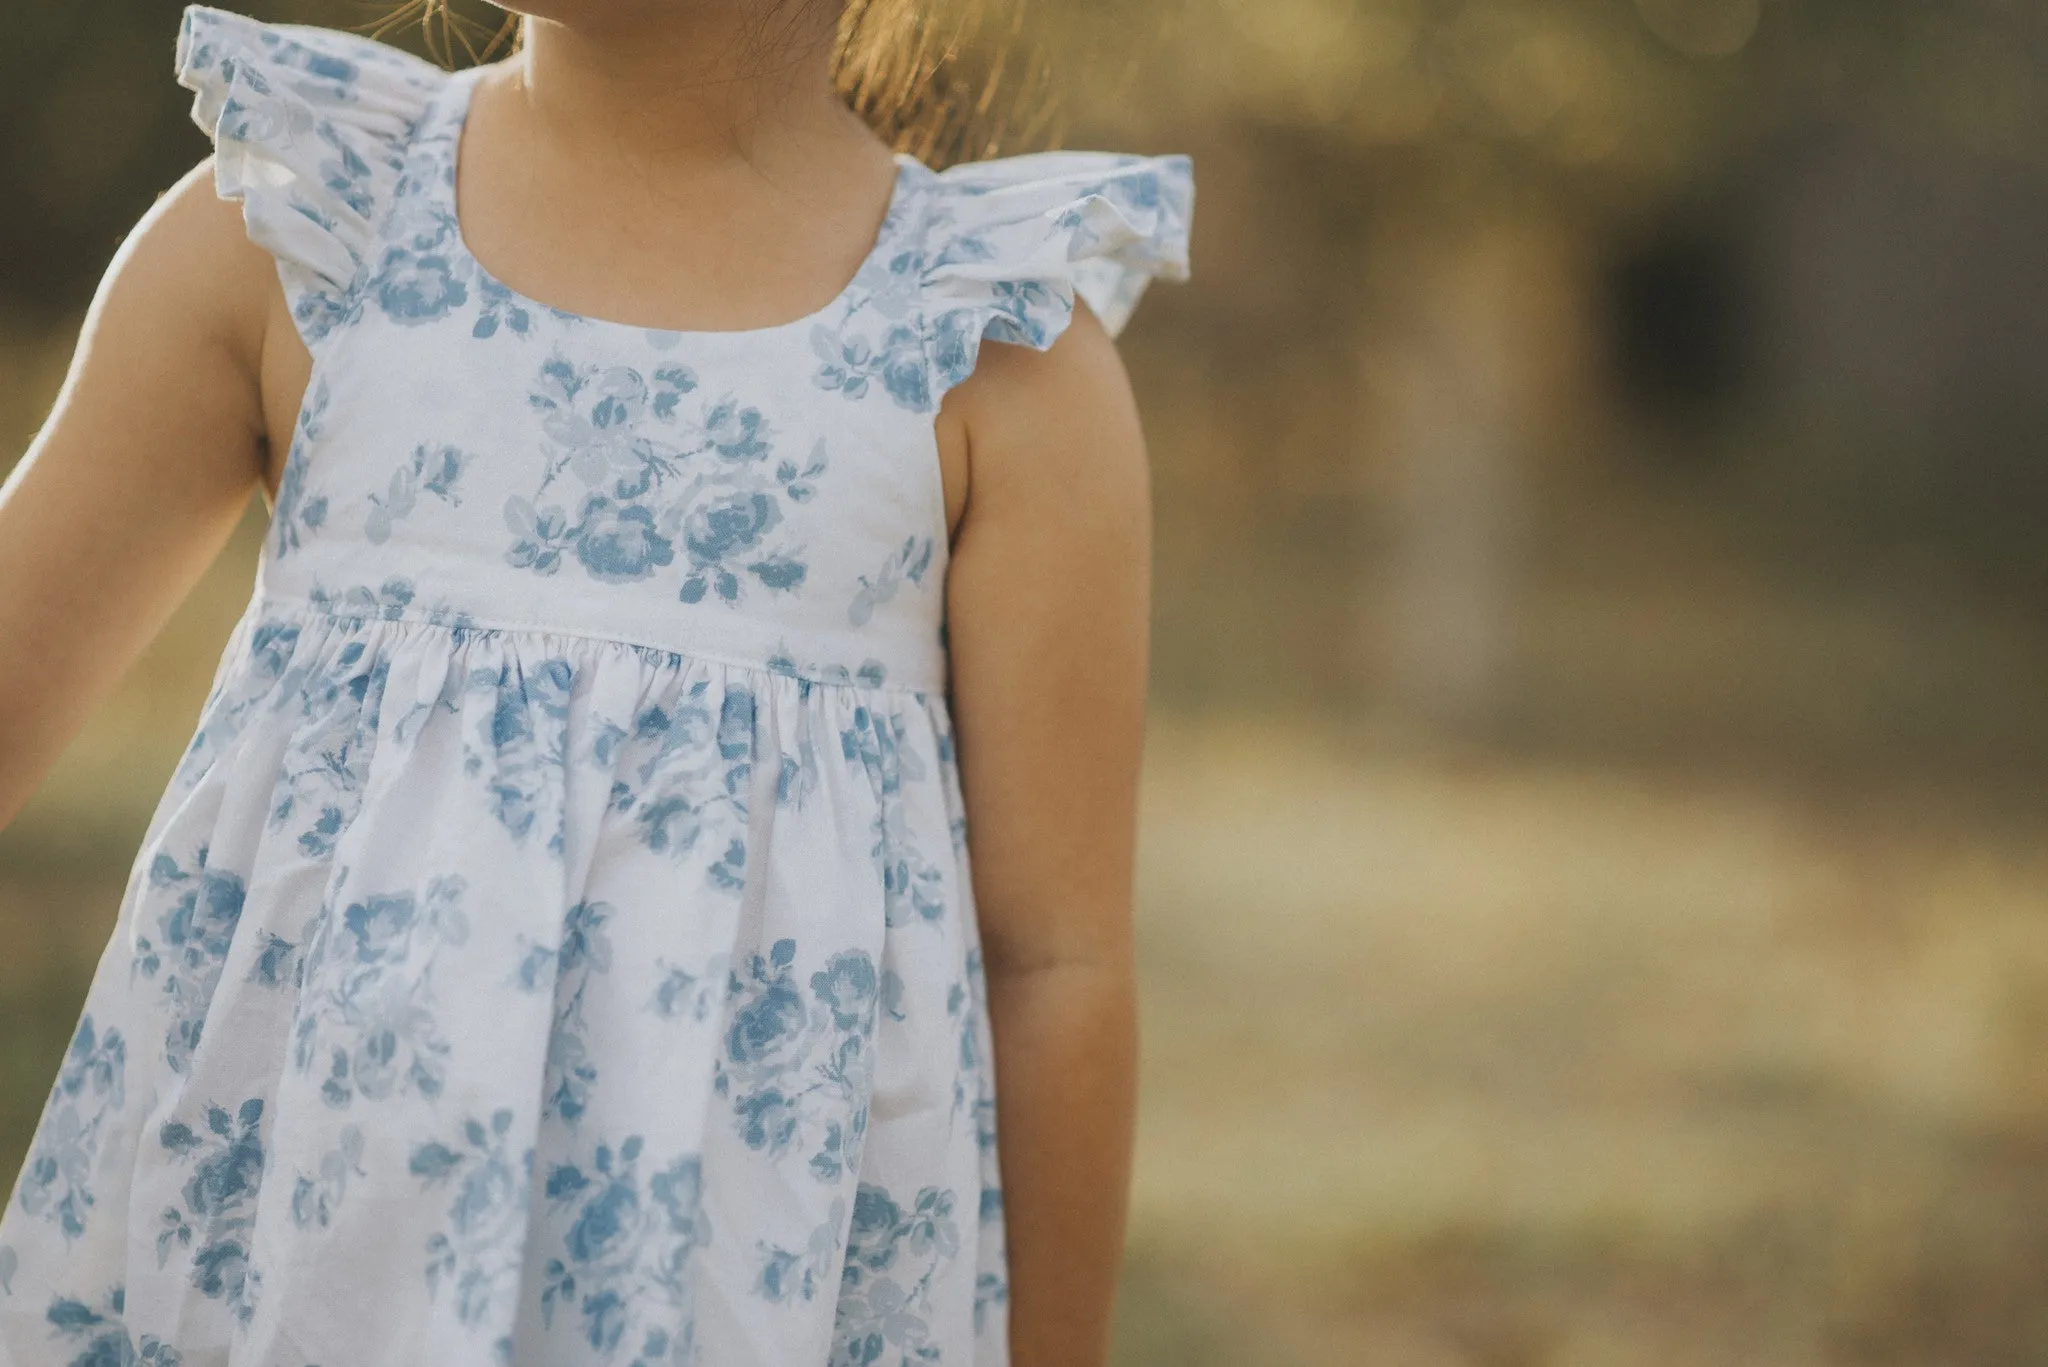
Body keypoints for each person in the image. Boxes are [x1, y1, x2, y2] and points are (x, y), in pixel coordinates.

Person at [0, 1, 1192, 1363]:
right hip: (284, 1267)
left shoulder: (992, 342)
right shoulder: (304, 220)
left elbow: (1053, 968)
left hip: (744, 1298)